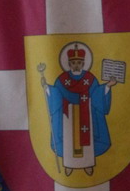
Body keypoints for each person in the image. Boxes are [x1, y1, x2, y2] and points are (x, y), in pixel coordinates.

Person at [41, 41, 117, 177]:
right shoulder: (62, 79)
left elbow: (97, 94)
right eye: (73, 63)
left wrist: (108, 86)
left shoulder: (90, 79)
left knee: (87, 141)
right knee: (68, 140)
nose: (76, 65)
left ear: (83, 64)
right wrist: (46, 87)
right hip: (67, 117)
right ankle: (69, 164)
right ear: (69, 64)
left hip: (86, 114)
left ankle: (87, 164)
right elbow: (56, 94)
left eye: (79, 63)